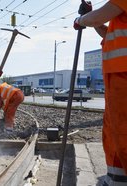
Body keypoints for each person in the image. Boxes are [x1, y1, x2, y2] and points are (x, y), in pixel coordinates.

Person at [74, 1, 127, 185]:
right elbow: (106, 31)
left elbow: (98, 17)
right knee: (114, 131)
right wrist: (89, 18)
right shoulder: (120, 20)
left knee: (123, 132)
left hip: (123, 74)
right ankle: (117, 179)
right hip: (117, 75)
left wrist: (81, 19)